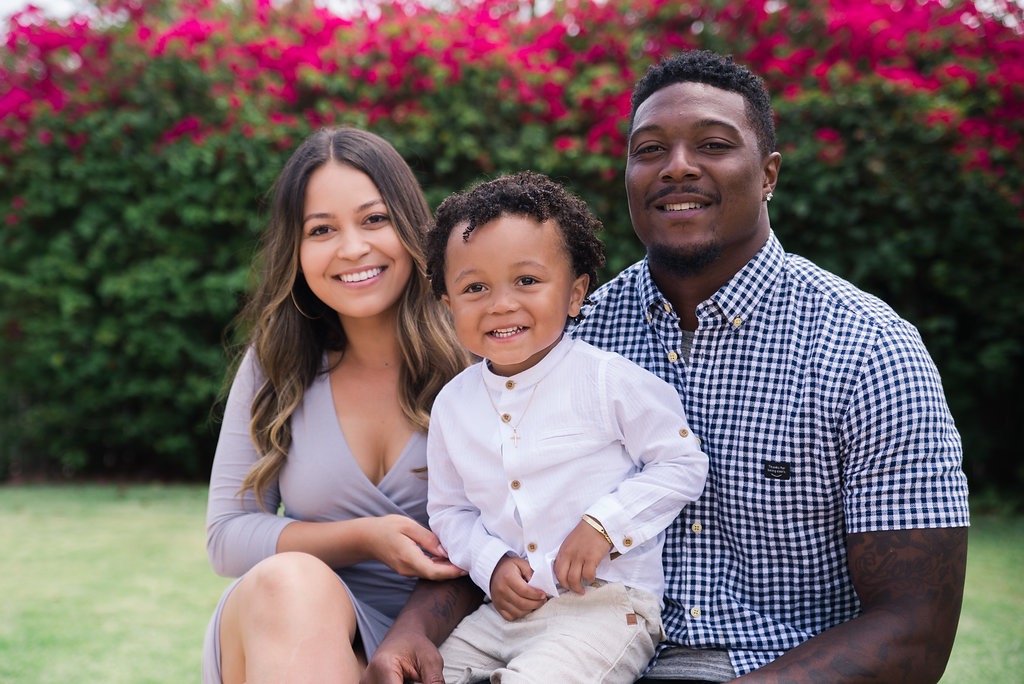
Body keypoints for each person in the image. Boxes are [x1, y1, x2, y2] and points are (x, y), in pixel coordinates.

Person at [361, 50, 970, 683]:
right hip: (559, 641)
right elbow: (496, 513)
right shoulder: (565, 332)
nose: (677, 167)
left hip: (767, 665)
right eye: (649, 149)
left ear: (768, 174)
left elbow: (914, 627)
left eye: (712, 144)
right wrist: (413, 633)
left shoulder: (866, 350)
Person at [202, 127, 472, 684]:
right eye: (321, 229)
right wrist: (363, 537)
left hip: (447, 636)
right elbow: (227, 536)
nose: (352, 248)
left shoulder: (478, 354)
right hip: (291, 627)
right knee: (291, 582)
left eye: (374, 219)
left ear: (412, 225)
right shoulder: (276, 361)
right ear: (296, 251)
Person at [422, 171, 709, 683]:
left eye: (527, 281)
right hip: (505, 610)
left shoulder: (608, 380)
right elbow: (450, 509)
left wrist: (605, 525)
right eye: (475, 288)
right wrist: (491, 563)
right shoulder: (452, 405)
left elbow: (680, 462)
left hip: (604, 607)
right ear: (449, 306)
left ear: (575, 294)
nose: (501, 303)